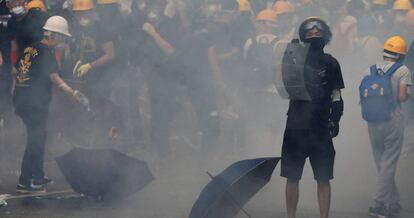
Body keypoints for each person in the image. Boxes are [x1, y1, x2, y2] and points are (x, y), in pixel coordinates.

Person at [13, 15, 89, 193]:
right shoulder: (47, 53)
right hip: (33, 104)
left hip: (22, 100)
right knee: (36, 140)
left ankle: (38, 174)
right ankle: (26, 181)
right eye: (62, 37)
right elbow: (55, 78)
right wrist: (74, 93)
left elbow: (17, 72)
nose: (62, 41)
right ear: (53, 35)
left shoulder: (30, 48)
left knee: (39, 137)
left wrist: (15, 97)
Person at [280, 17, 344, 218]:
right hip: (296, 127)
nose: (315, 30)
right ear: (303, 34)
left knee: (324, 178)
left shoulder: (332, 62)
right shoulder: (293, 57)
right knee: (292, 177)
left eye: (319, 28)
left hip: (321, 128)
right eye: (310, 29)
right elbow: (282, 85)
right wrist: (288, 58)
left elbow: (336, 95)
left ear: (325, 34)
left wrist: (336, 118)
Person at [359, 35, 411, 218]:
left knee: (382, 163)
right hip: (392, 120)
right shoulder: (402, 70)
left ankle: (394, 202)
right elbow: (403, 96)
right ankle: (379, 204)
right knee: (388, 164)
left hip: (372, 121)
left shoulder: (369, 69)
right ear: (401, 55)